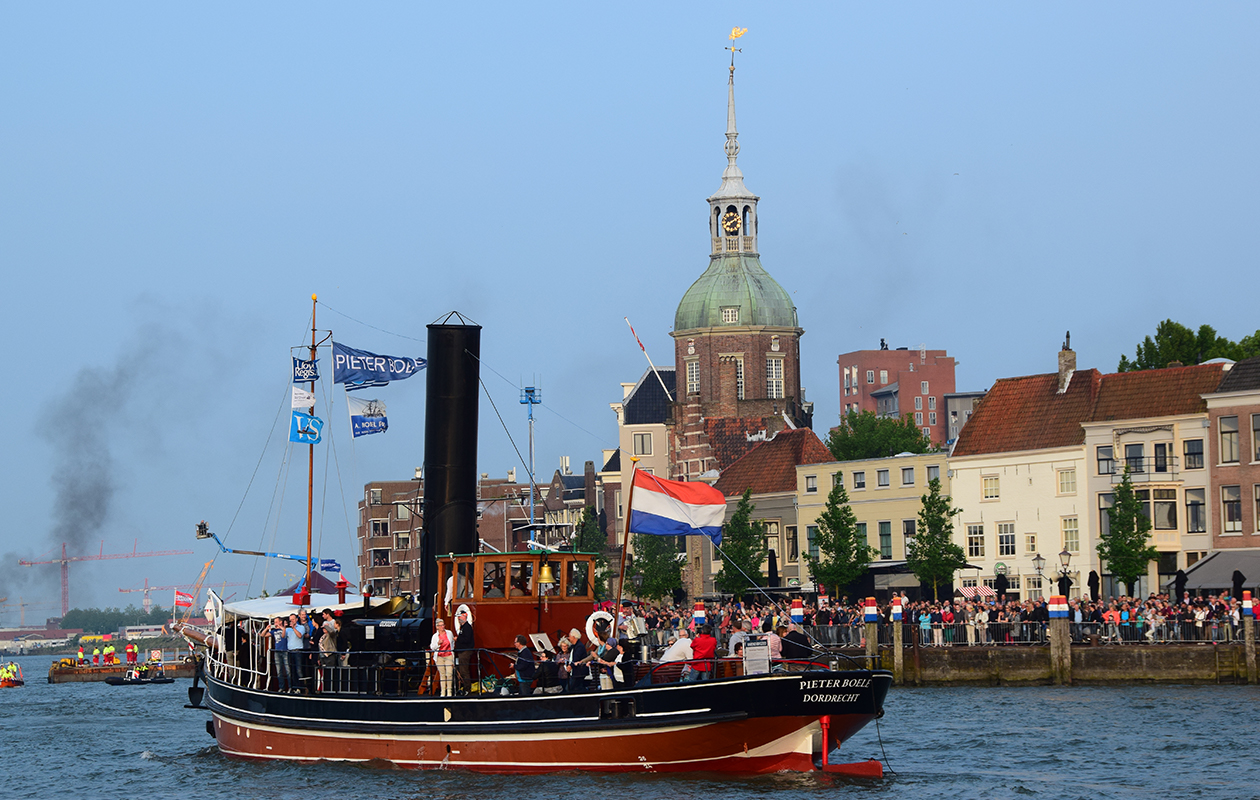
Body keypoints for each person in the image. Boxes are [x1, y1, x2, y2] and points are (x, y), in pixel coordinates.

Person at [430, 617, 456, 698]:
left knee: (449, 674)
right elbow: (432, 647)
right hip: (440, 657)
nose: (442, 627)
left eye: (443, 625)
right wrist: (438, 644)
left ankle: (449, 691)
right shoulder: (435, 636)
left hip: (448, 655)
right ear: (437, 627)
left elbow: (452, 643)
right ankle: (443, 692)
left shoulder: (449, 633)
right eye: (440, 625)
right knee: (442, 674)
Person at [453, 608, 475, 695]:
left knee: (464, 671)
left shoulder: (467, 628)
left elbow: (467, 639)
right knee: (462, 671)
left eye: (460, 617)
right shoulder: (463, 628)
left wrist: (458, 639)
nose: (458, 619)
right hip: (461, 651)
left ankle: (467, 689)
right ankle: (464, 688)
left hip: (465, 652)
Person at [286, 613, 307, 693]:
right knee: (291, 670)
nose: (292, 621)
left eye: (293, 619)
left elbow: (299, 635)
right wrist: (284, 627)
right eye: (290, 620)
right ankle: (293, 687)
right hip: (290, 651)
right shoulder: (288, 629)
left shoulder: (301, 627)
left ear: (296, 619)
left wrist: (294, 628)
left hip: (298, 651)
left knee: (299, 670)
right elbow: (283, 636)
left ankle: (301, 688)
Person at [269, 616, 291, 692]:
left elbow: (284, 635)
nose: (275, 624)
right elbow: (262, 635)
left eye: (276, 622)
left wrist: (281, 627)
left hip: (285, 651)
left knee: (288, 670)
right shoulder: (274, 631)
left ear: (280, 622)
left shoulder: (286, 629)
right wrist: (266, 628)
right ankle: (282, 687)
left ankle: (290, 687)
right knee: (279, 671)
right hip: (277, 651)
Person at [566, 628, 589, 692]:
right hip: (576, 672)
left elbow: (576, 658)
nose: (569, 638)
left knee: (570, 688)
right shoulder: (574, 646)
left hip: (579, 672)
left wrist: (570, 666)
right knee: (575, 688)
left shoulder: (579, 647)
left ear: (573, 637)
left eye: (570, 636)